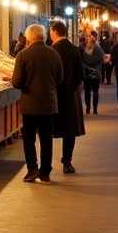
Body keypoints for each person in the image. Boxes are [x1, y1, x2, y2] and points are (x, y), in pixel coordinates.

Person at [11, 24, 63, 183]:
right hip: (48, 103)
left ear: (30, 37)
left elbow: (16, 82)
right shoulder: (54, 53)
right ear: (43, 36)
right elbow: (60, 79)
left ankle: (32, 169)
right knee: (46, 138)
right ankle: (45, 173)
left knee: (28, 137)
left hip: (30, 105)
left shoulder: (23, 55)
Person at [49, 20, 85, 174]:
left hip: (54, 94)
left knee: (48, 130)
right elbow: (81, 73)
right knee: (69, 130)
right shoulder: (74, 49)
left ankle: (46, 165)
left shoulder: (51, 50)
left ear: (54, 31)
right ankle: (67, 161)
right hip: (71, 95)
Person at [80, 33, 104, 114]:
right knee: (95, 91)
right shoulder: (99, 49)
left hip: (87, 73)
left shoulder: (85, 49)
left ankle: (87, 108)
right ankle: (95, 109)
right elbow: (101, 60)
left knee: (87, 91)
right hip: (96, 73)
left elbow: (84, 60)